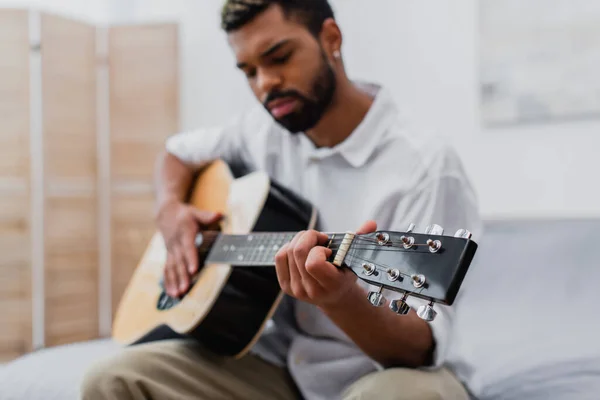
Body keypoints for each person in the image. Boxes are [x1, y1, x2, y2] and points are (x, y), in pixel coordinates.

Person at [81, 1, 481, 399]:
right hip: (280, 369)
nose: (264, 84)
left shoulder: (425, 165)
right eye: (249, 71)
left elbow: (417, 349)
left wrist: (340, 299)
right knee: (111, 379)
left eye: (279, 57)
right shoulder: (261, 131)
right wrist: (170, 211)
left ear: (330, 39)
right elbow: (176, 154)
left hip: (380, 373)